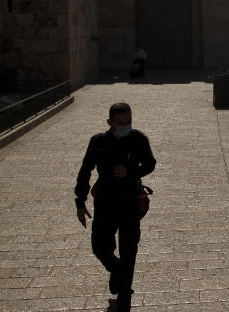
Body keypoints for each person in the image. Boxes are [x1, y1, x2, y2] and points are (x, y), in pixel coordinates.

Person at [75, 103, 156, 311]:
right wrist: (80, 200)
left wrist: (130, 172)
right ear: (110, 122)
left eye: (128, 121)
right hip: (105, 202)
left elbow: (150, 164)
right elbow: (86, 170)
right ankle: (117, 270)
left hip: (130, 202)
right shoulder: (98, 142)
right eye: (121, 123)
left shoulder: (139, 139)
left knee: (129, 251)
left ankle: (124, 299)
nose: (126, 126)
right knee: (100, 247)